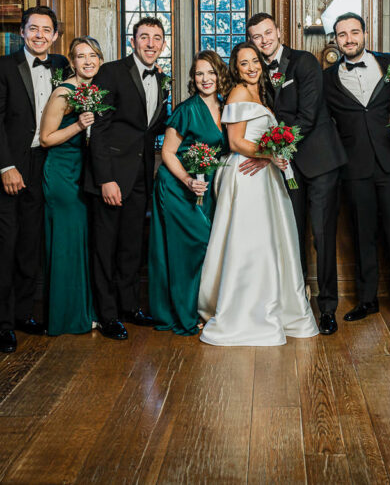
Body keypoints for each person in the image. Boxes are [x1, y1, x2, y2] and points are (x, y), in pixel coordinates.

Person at [197, 42, 319, 345]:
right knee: (248, 243)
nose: (251, 68)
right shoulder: (239, 93)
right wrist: (270, 152)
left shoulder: (262, 94)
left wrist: (271, 155)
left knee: (269, 242)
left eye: (255, 62)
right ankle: (245, 309)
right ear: (236, 69)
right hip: (247, 176)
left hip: (265, 174)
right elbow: (236, 142)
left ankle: (272, 303)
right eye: (244, 63)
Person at [246, 12, 347, 334]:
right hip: (286, 167)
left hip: (319, 163)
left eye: (268, 32)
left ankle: (327, 306)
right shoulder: (257, 72)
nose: (264, 40)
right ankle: (297, 302)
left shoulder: (304, 62)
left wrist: (275, 146)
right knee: (291, 235)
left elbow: (309, 113)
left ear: (278, 29)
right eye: (257, 37)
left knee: (321, 234)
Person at [0, 6, 68, 353]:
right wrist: (5, 167)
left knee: (31, 245)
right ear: (22, 31)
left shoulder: (62, 66)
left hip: (45, 164)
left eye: (47, 30)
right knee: (5, 247)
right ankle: (2, 325)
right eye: (34, 29)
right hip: (8, 168)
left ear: (55, 35)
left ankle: (23, 314)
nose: (40, 35)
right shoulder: (1, 67)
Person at [323, 13, 390, 331]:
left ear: (365, 33)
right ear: (335, 40)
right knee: (362, 235)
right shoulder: (327, 78)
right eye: (342, 34)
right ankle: (367, 300)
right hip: (354, 167)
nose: (348, 39)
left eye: (354, 32)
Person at [87, 17, 170, 341]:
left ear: (163, 44)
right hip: (112, 176)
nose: (151, 43)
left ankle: (129, 307)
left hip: (140, 177)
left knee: (131, 247)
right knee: (105, 248)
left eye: (157, 38)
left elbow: (152, 128)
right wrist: (105, 179)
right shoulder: (111, 72)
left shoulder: (161, 79)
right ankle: (107, 315)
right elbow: (99, 129)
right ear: (132, 41)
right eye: (144, 37)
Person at [148, 50, 229, 336]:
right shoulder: (186, 109)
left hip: (207, 188)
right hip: (178, 187)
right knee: (191, 247)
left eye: (210, 72)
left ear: (220, 75)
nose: (205, 79)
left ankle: (201, 309)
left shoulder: (226, 107)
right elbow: (168, 152)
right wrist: (186, 180)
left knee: (206, 249)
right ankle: (183, 314)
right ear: (193, 79)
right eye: (199, 73)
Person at [38, 37, 105, 336]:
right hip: (63, 174)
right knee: (66, 242)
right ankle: (66, 317)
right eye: (81, 56)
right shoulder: (63, 92)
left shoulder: (94, 91)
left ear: (100, 60)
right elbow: (46, 138)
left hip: (84, 173)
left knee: (80, 242)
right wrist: (78, 125)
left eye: (93, 55)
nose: (88, 61)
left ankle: (82, 309)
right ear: (72, 62)